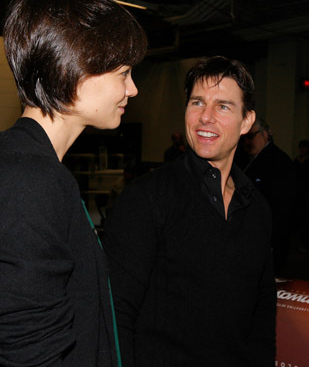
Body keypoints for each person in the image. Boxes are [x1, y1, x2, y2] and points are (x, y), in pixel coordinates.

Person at [0, 0, 147, 366]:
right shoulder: (25, 181)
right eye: (123, 73)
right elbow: (29, 352)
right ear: (73, 69)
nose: (133, 88)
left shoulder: (34, 168)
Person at [103, 56, 276, 367]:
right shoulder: (147, 198)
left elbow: (262, 318)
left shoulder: (258, 209)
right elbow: (115, 315)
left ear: (247, 121)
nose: (205, 117)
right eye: (197, 102)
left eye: (223, 106)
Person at [241, 118, 295, 276]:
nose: (247, 142)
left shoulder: (279, 162)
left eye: (251, 136)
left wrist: (273, 240)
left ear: (265, 134)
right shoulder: (247, 160)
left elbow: (283, 206)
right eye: (243, 138)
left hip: (268, 239)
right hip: (250, 237)